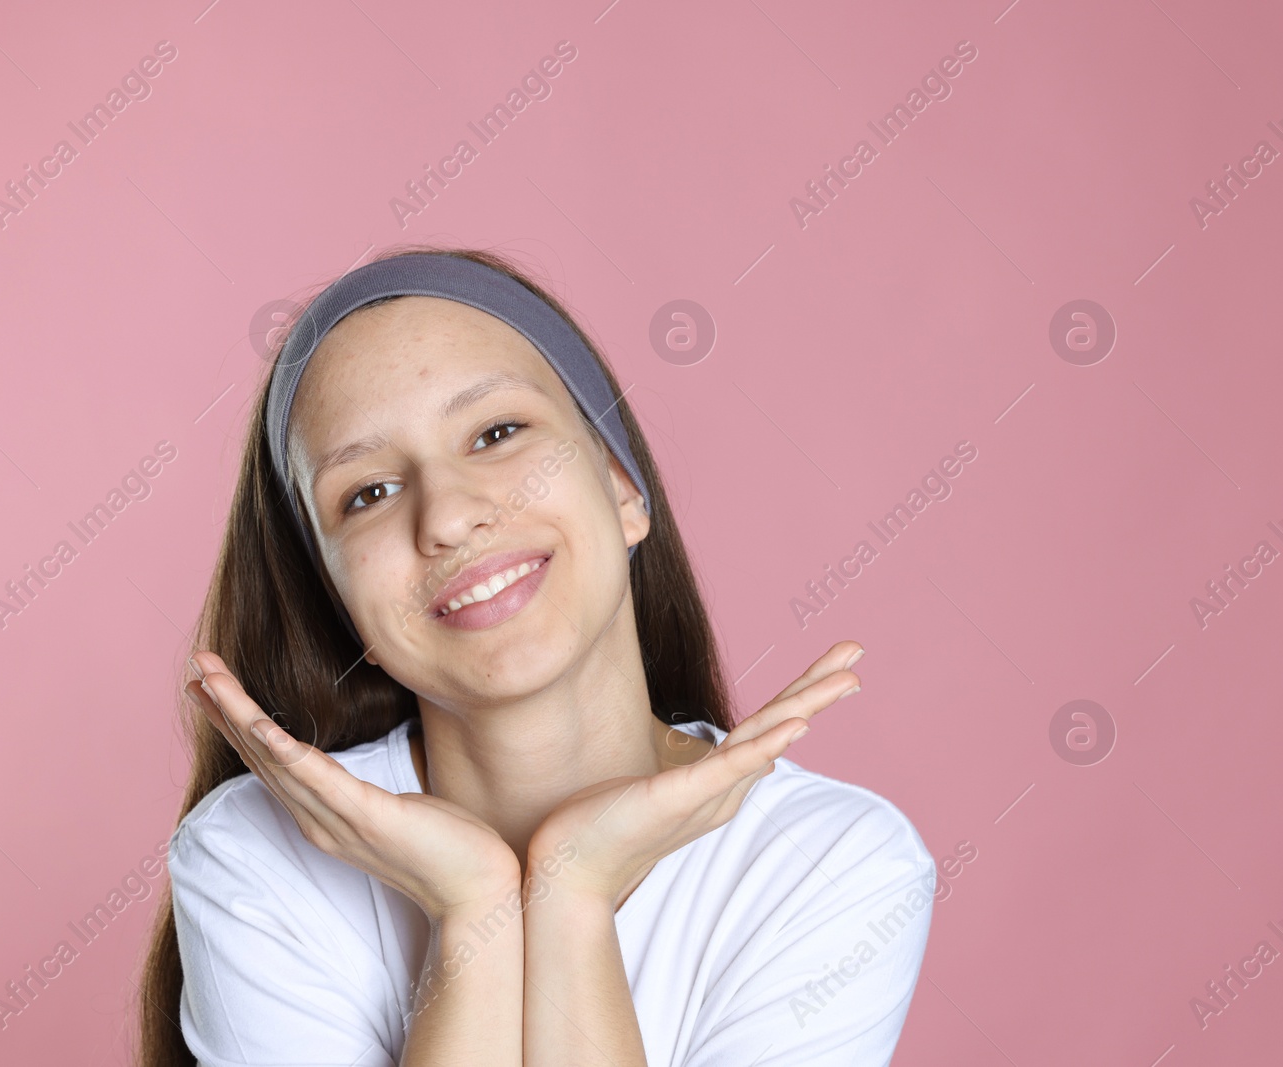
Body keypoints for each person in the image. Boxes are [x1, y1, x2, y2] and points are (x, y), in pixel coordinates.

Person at [136, 246, 935, 1067]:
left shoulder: (830, 864)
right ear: (340, 602)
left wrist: (571, 890)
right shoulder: (260, 858)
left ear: (624, 489)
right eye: (368, 492)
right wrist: (473, 901)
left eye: (496, 432)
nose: (447, 516)